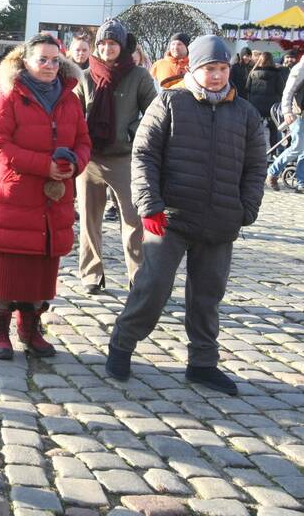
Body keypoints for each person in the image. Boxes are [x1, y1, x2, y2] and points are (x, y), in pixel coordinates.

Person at [107, 35, 266, 396]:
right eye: (210, 68)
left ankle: (203, 364)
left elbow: (256, 166)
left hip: (220, 220)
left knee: (208, 295)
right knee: (152, 287)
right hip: (170, 218)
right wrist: (149, 205)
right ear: (195, 68)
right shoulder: (169, 102)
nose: (217, 75)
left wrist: (246, 208)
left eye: (223, 68)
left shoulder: (245, 114)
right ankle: (122, 345)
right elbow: (144, 155)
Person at [0, 33, 91, 359]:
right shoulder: (9, 96)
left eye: (55, 60)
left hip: (53, 199)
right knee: (7, 268)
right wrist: (42, 166)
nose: (49, 66)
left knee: (43, 269)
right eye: (42, 59)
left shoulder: (70, 99)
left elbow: (84, 141)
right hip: (16, 194)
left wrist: (76, 165)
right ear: (26, 61)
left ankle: (30, 327)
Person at [74, 21, 157, 293]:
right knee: (89, 220)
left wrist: (133, 132)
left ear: (122, 46)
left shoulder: (139, 76)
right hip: (90, 158)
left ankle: (138, 276)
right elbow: (72, 114)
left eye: (113, 43)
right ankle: (91, 274)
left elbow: (154, 115)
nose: (107, 48)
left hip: (125, 158)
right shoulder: (85, 76)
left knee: (133, 221)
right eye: (103, 44)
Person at [267, 54, 304, 192]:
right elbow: (288, 91)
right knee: (297, 147)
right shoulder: (300, 68)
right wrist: (287, 111)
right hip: (297, 113)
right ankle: (273, 171)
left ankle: (301, 182)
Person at [246, 51, 284, 149]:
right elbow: (281, 90)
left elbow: (247, 89)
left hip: (256, 106)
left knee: (256, 131)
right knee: (274, 131)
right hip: (272, 108)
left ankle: (256, 150)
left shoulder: (253, 73)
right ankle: (273, 151)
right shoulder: (277, 74)